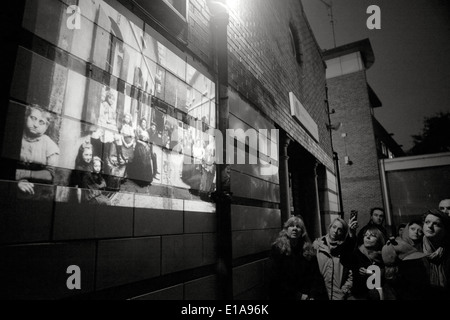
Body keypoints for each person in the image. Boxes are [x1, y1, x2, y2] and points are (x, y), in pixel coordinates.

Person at [269, 215, 327, 300]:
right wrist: (298, 296)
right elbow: (276, 278)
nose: (294, 228)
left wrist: (313, 295)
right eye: (291, 226)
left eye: (298, 226)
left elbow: (316, 276)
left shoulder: (308, 250)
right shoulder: (278, 249)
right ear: (286, 230)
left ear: (302, 232)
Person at [16, 104, 60, 195]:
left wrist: (23, 174)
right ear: (26, 117)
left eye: (41, 122)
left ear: (46, 127)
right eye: (33, 118)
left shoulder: (50, 146)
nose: (35, 125)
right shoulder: (14, 135)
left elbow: (50, 175)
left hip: (37, 191)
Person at [313, 217, 354, 300]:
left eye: (340, 229)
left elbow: (351, 273)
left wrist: (345, 289)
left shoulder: (345, 249)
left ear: (343, 233)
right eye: (334, 227)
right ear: (330, 227)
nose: (335, 231)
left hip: (338, 295)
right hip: (320, 294)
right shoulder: (317, 245)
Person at [348, 226, 386, 300]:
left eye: (372, 235)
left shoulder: (382, 257)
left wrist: (370, 273)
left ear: (379, 240)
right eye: (365, 235)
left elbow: (383, 279)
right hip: (359, 296)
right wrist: (351, 234)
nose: (367, 237)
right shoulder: (357, 254)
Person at [422, 209, 450, 293]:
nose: (430, 226)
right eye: (427, 222)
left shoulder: (448, 251)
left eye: (436, 224)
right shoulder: (414, 250)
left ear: (445, 229)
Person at [126, 118, 153, 187]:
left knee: (147, 164)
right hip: (139, 148)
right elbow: (136, 139)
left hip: (145, 149)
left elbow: (148, 140)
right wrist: (143, 143)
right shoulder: (138, 130)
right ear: (141, 123)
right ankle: (141, 182)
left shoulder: (146, 131)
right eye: (143, 123)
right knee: (142, 163)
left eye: (145, 123)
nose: (144, 124)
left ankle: (147, 181)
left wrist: (147, 145)